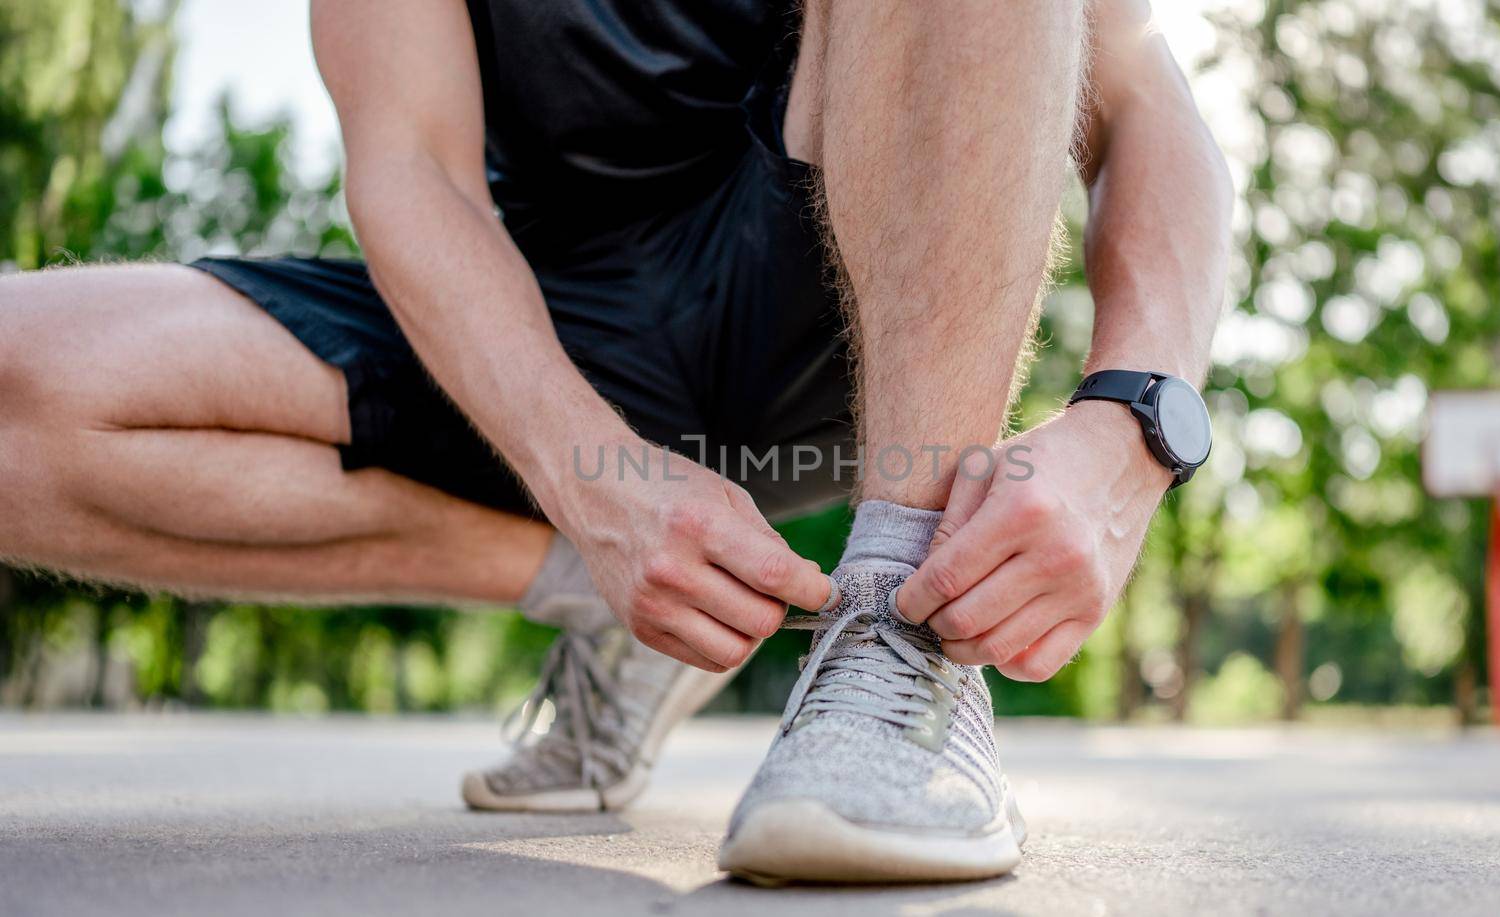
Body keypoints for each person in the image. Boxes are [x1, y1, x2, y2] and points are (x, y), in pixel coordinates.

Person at [0, 0, 1231, 884]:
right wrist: (595, 484)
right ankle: (610, 600)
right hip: (541, 328)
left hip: (843, 292)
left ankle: (897, 648)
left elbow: (1131, 89)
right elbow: (412, 164)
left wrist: (1135, 424)